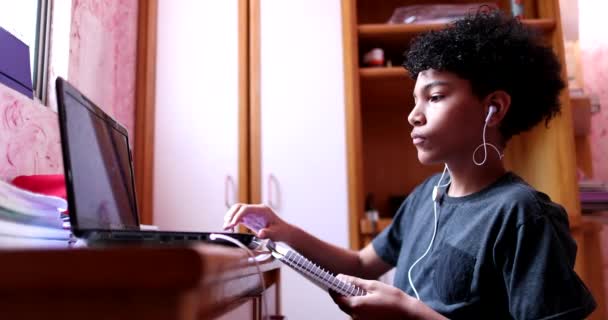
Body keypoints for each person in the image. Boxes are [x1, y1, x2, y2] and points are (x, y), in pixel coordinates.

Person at [223, 9, 596, 320]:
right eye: (414, 100)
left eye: (434, 97)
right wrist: (284, 231)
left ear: (493, 108)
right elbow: (360, 263)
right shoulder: (425, 197)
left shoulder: (523, 214)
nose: (413, 116)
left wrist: (408, 312)